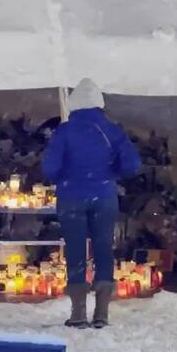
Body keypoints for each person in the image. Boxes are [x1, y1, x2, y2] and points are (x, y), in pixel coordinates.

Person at [43, 78, 141, 328]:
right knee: (103, 249)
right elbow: (133, 165)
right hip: (104, 197)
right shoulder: (112, 130)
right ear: (100, 104)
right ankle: (102, 313)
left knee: (75, 251)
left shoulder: (64, 131)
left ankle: (78, 313)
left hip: (71, 197)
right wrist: (110, 172)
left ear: (74, 103)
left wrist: (67, 174)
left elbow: (49, 168)